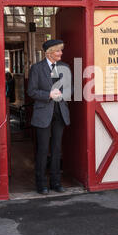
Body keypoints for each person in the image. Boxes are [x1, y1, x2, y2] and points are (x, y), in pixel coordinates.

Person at [27, 39, 72, 195]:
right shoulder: (36, 69)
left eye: (61, 50)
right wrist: (48, 94)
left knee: (57, 149)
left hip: (60, 113)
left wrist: (63, 93)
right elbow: (31, 91)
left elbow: (70, 89)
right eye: (58, 51)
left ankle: (56, 182)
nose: (61, 53)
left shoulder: (65, 67)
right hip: (43, 114)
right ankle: (41, 185)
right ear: (50, 52)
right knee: (43, 150)